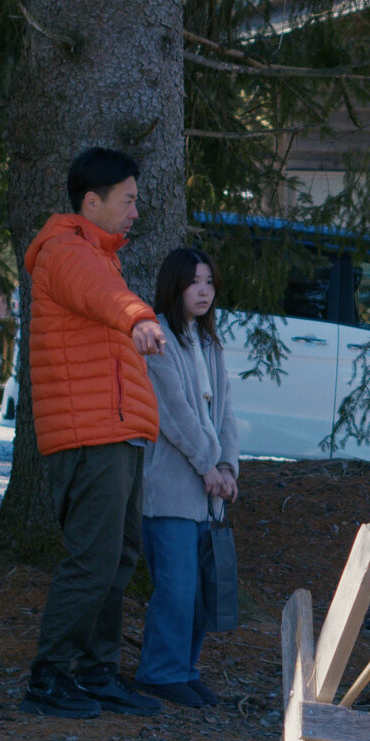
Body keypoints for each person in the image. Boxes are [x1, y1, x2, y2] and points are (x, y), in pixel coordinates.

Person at [19, 147, 167, 719]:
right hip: (90, 436)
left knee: (118, 557)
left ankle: (96, 671)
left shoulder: (100, 255)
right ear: (92, 201)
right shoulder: (67, 249)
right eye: (127, 199)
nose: (136, 210)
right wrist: (139, 317)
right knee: (93, 559)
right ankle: (49, 676)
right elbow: (106, 301)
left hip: (116, 432)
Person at [133, 247, 239, 707]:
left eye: (210, 282)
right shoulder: (158, 338)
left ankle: (185, 669)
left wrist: (229, 468)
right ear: (175, 285)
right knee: (175, 587)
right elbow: (171, 415)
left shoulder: (210, 344)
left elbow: (227, 414)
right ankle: (159, 671)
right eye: (195, 281)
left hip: (208, 491)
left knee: (200, 588)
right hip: (171, 489)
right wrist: (209, 466)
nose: (204, 290)